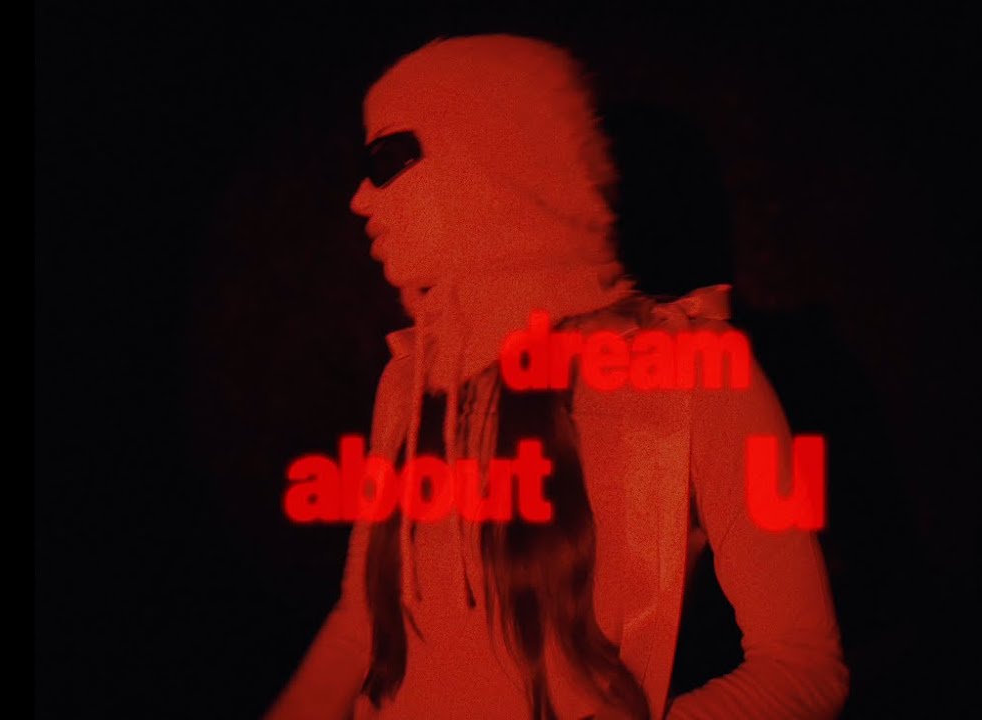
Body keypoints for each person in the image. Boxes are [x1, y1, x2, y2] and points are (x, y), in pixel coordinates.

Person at [267, 34, 848, 719]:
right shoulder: (409, 384)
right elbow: (361, 624)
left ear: (498, 157)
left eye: (389, 159)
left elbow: (802, 664)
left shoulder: (696, 372)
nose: (361, 200)